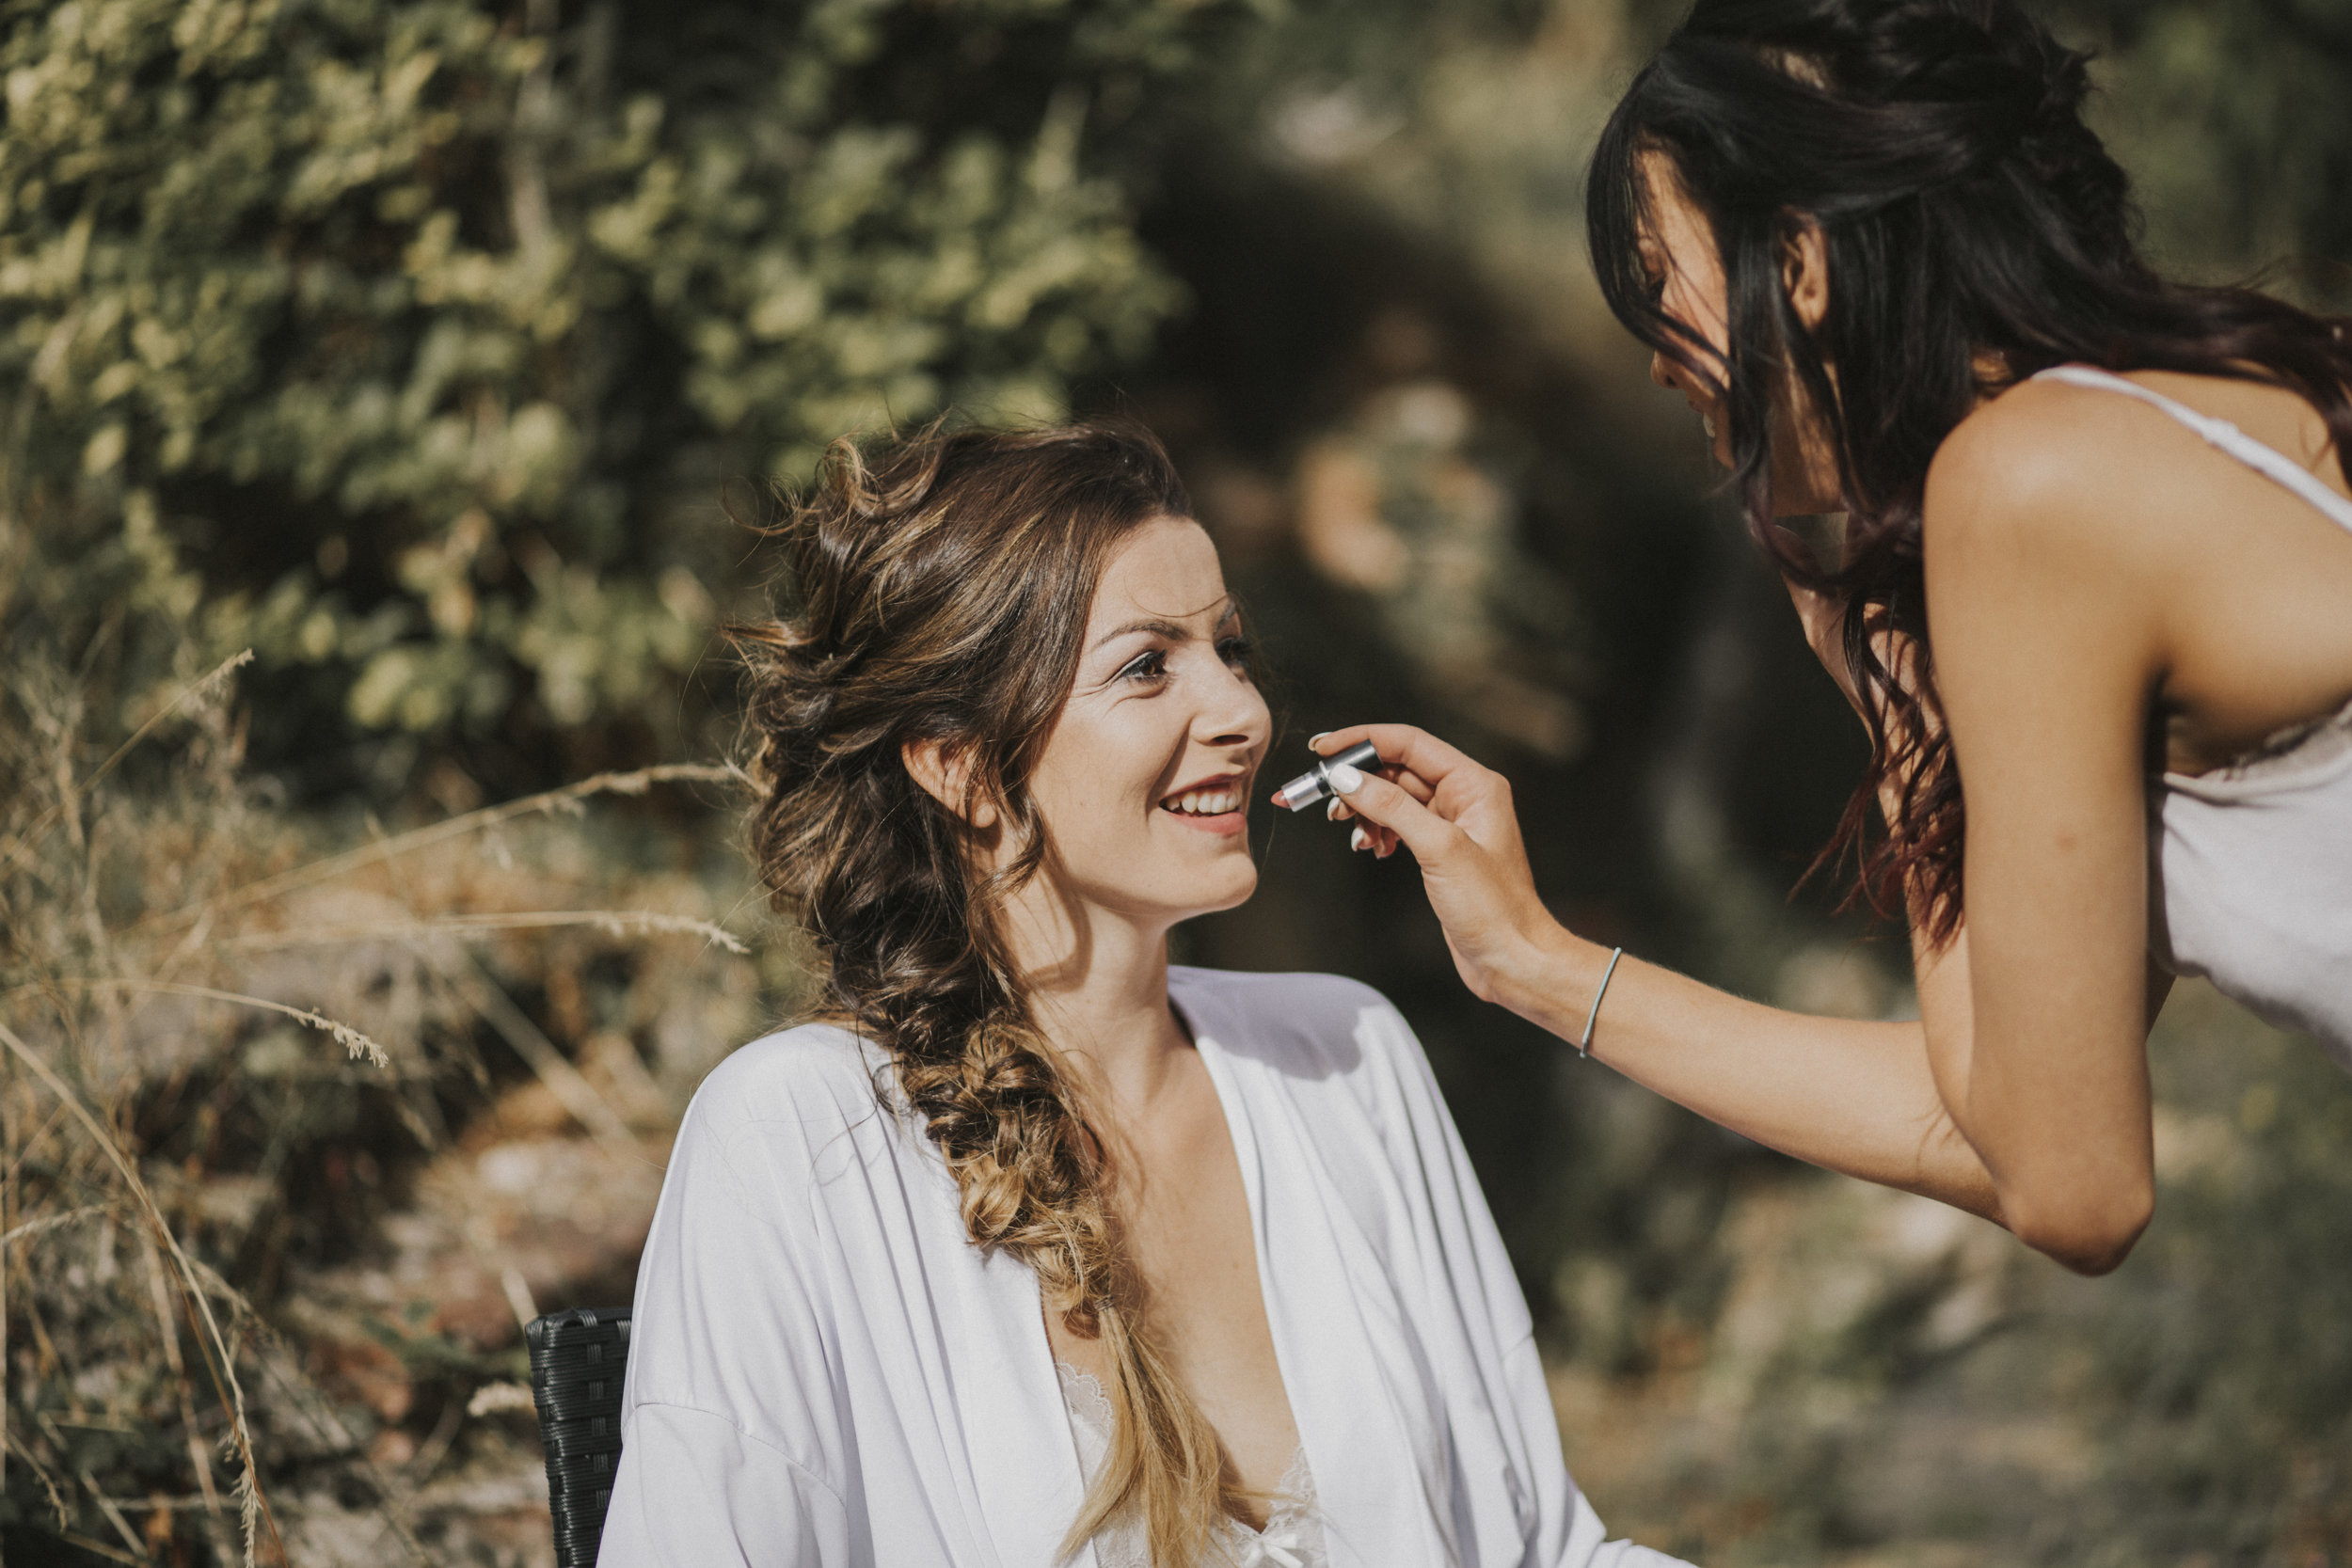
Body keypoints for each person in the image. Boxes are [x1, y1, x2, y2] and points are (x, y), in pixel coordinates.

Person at [1311, 0, 2352, 1278]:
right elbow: (2001, 1115)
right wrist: (1529, 958)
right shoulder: (2220, 400)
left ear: (1797, 267)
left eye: (1661, 278)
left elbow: (2071, 1182)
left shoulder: (2028, 489)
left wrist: (1892, 698)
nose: (1655, 361)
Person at [596, 423, 1689, 1567]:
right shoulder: (799, 1139)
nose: (1242, 713)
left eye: (1230, 647)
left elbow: (1543, 1550)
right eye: (1144, 664)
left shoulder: (1347, 1055)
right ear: (958, 761)